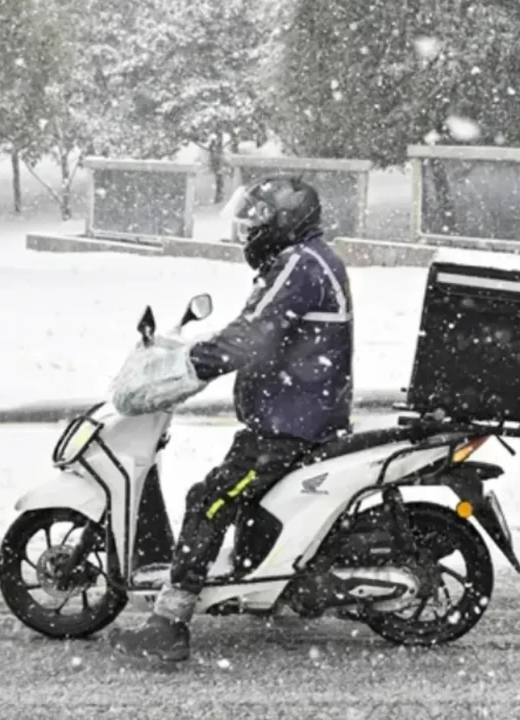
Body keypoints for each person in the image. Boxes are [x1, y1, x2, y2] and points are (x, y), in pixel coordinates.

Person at [106, 175, 354, 662]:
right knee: (238, 501)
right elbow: (258, 327)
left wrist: (189, 368)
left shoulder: (300, 264)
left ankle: (169, 626)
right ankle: (270, 586)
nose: (247, 230)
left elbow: (254, 335)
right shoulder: (303, 259)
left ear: (284, 221)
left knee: (209, 502)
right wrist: (199, 348)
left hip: (290, 426)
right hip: (294, 416)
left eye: (256, 219)